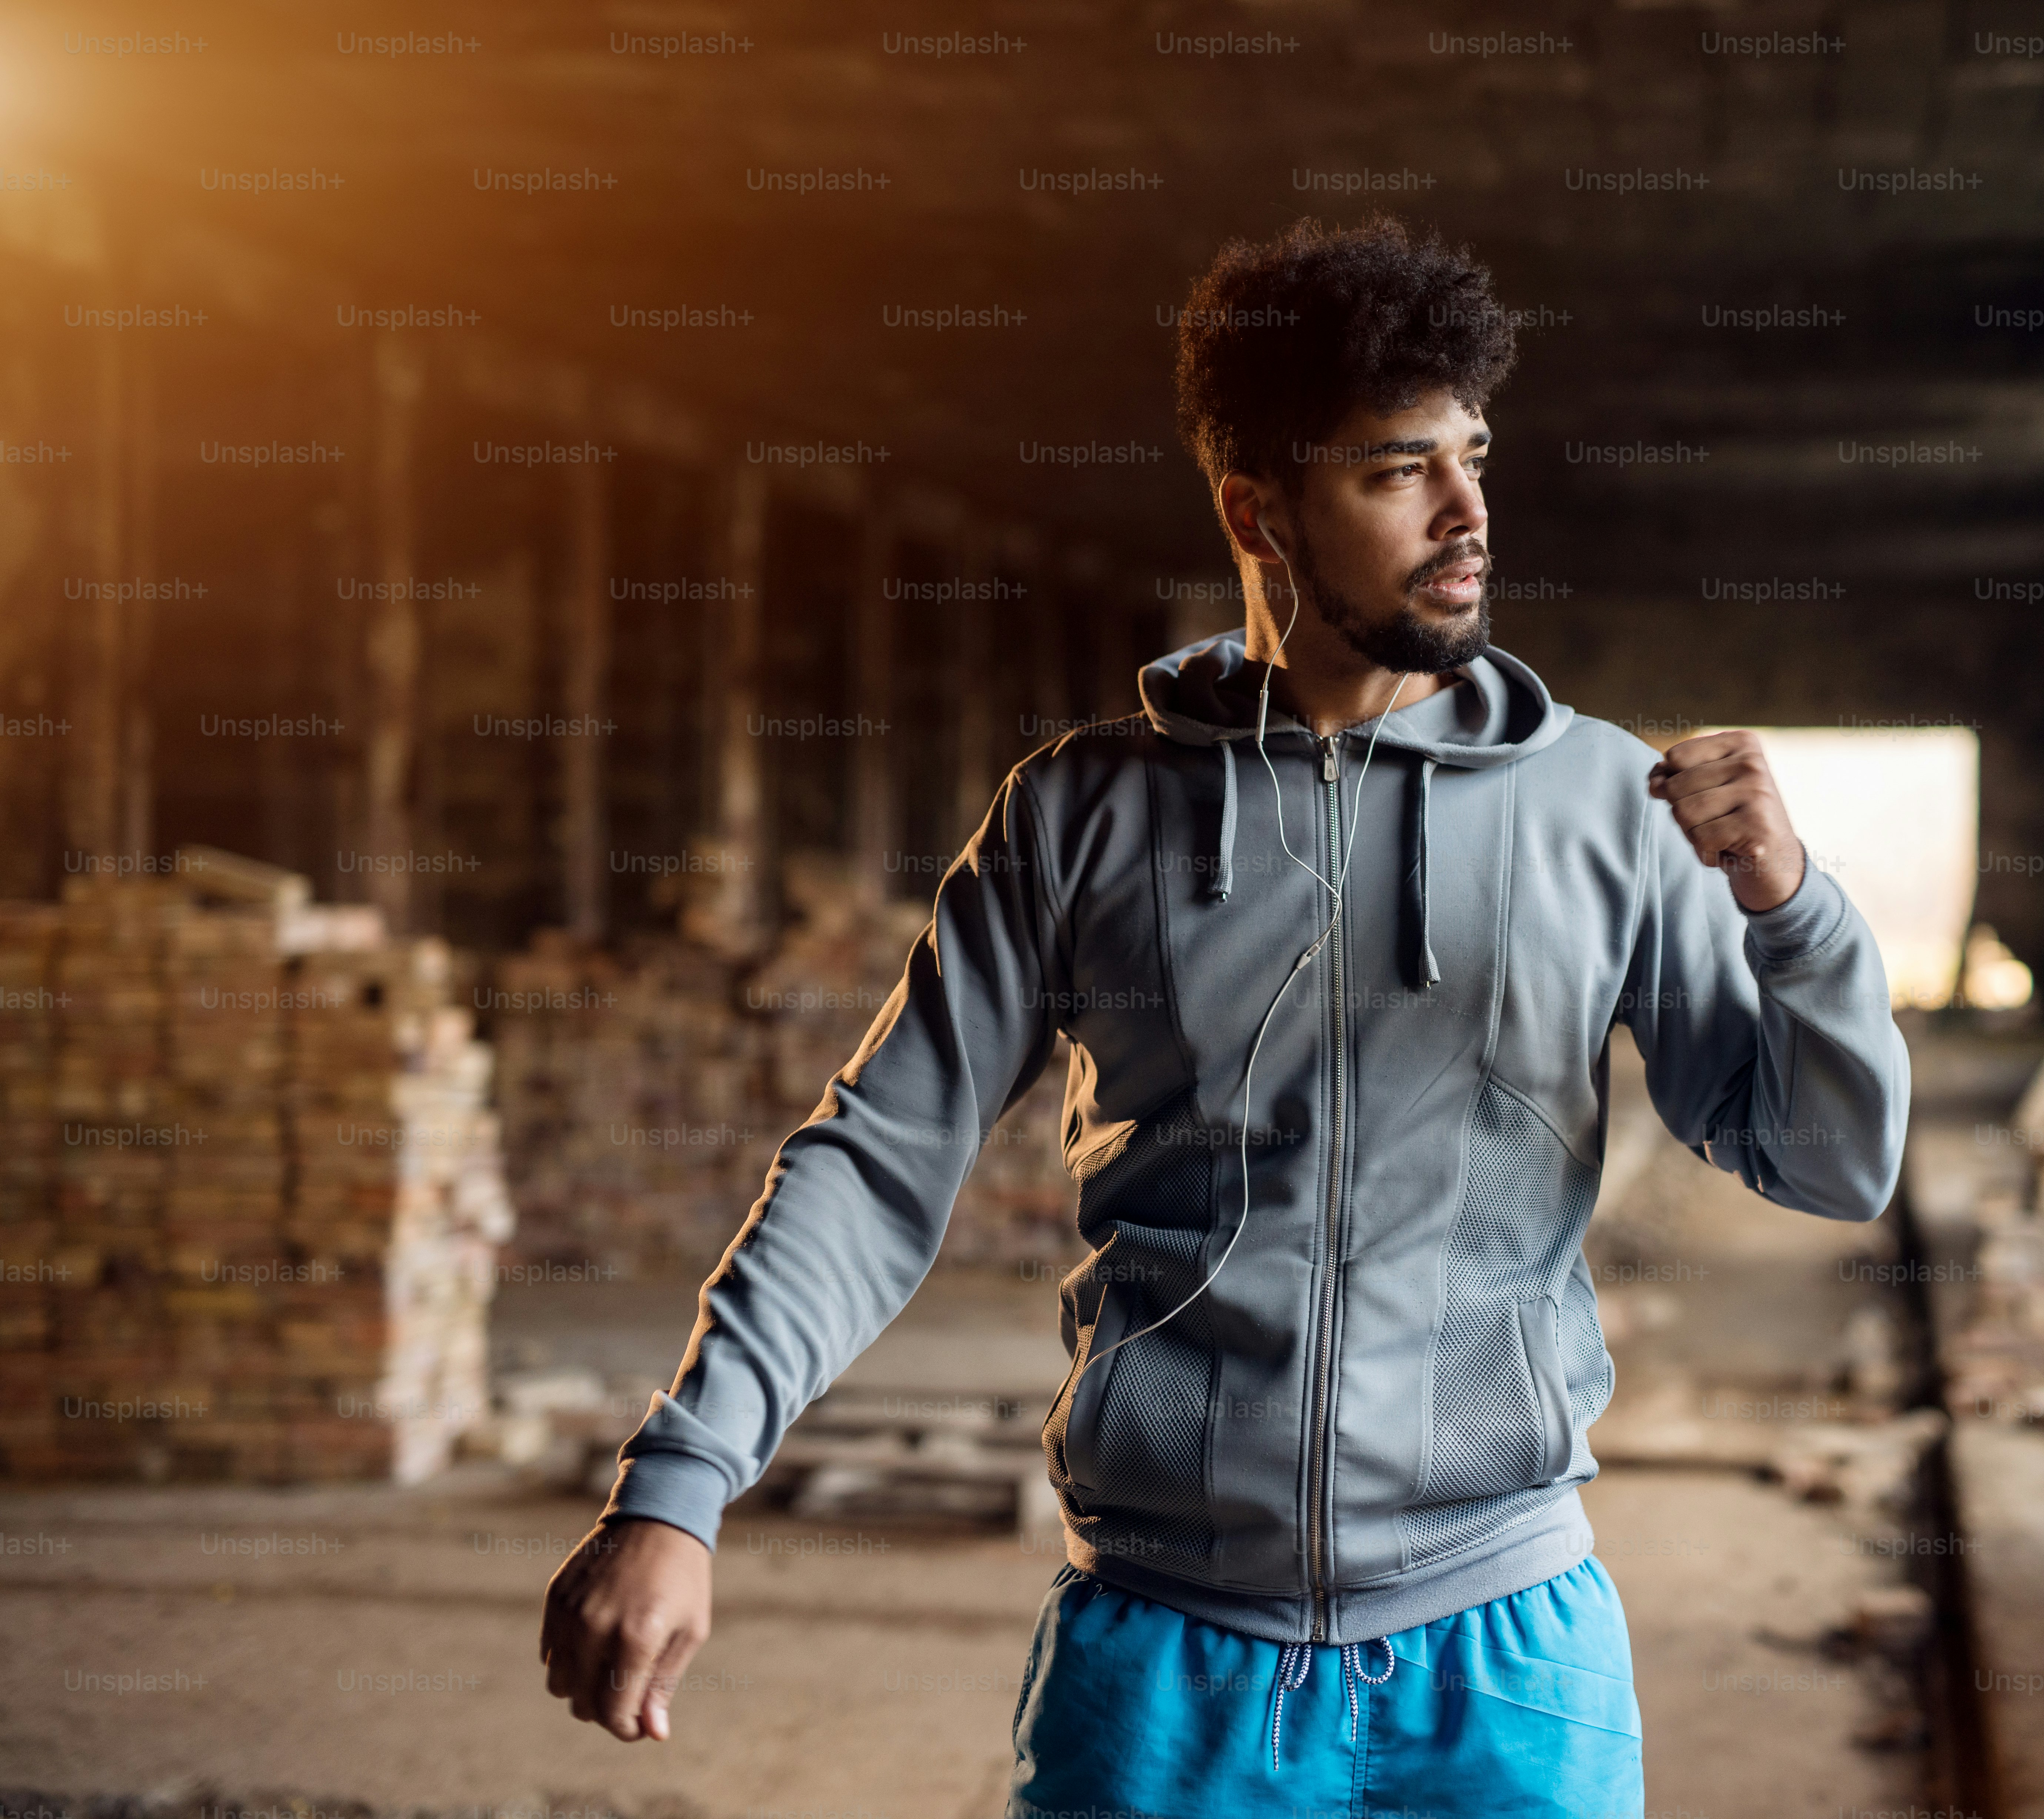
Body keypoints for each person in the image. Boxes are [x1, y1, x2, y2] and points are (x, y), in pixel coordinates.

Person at [540, 215, 1911, 1819]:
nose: (1470, 513)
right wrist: (680, 1484)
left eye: (1473, 456)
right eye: (1401, 471)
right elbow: (877, 1157)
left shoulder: (1606, 805)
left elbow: (1830, 1167)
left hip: (1509, 1656)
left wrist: (1792, 913)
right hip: (1164, 1663)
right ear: (1257, 513)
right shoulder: (1082, 816)